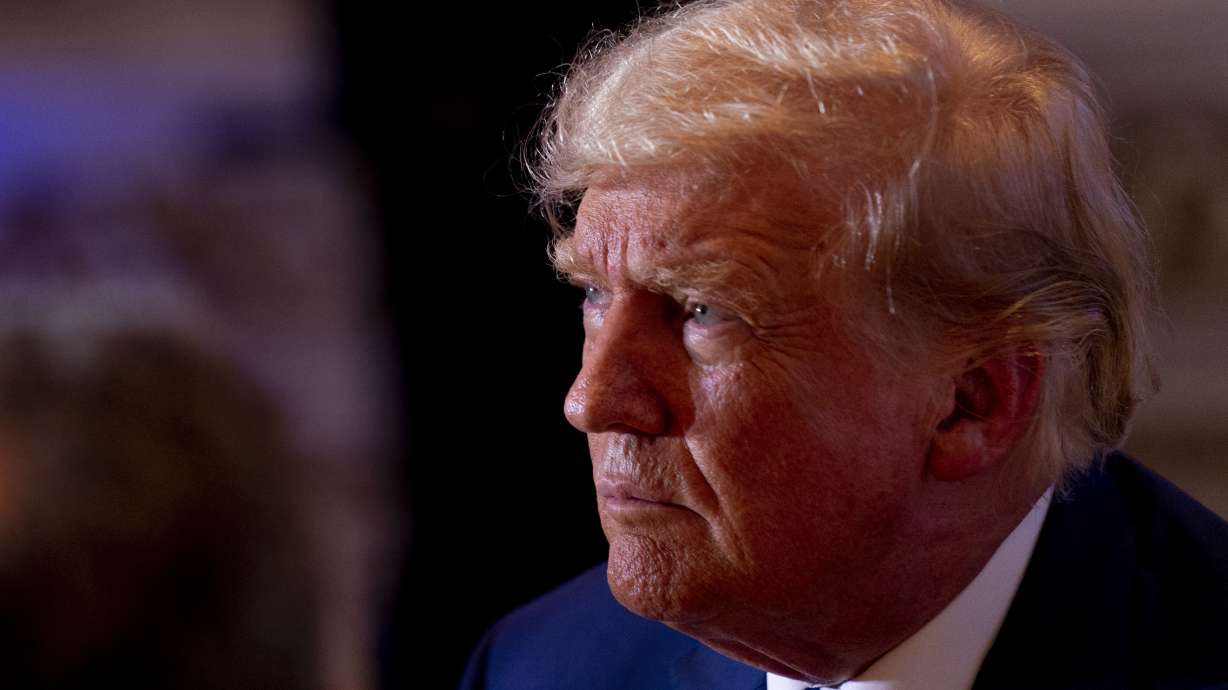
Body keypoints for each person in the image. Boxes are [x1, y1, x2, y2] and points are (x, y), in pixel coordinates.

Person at [460, 0, 1228, 688]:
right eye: (595, 291)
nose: (591, 399)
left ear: (970, 404)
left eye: (703, 310)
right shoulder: (543, 666)